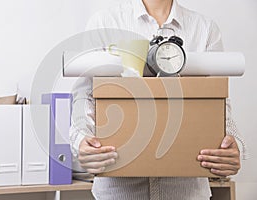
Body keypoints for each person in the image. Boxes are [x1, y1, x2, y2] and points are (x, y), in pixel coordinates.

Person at [69, 0, 247, 199]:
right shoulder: (105, 22)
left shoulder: (204, 28)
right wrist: (81, 141)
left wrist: (235, 147)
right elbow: (84, 96)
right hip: (119, 192)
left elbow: (218, 103)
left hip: (186, 192)